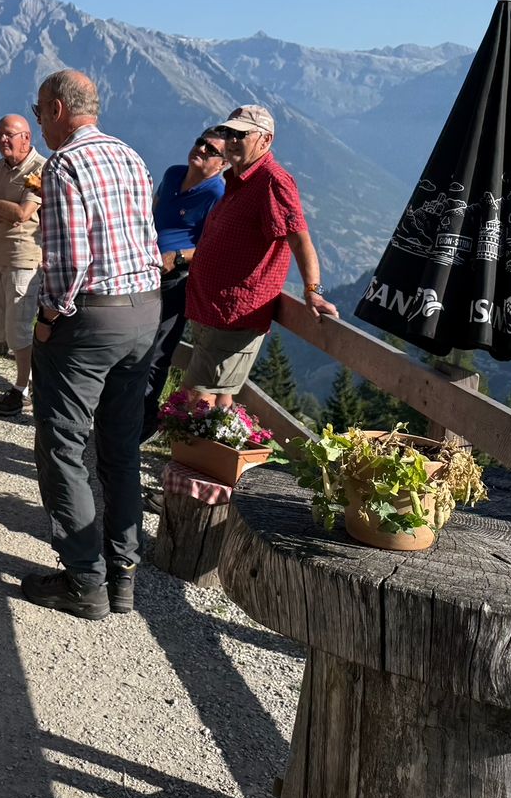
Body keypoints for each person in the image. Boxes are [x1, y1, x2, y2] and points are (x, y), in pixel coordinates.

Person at [25, 69, 161, 619]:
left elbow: (70, 260)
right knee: (121, 447)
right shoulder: (131, 156)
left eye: (39, 111)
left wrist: (46, 318)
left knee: (62, 444)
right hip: (145, 310)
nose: (39, 122)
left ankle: (84, 580)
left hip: (91, 319)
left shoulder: (64, 164)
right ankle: (124, 574)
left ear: (58, 108)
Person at [184, 104, 339, 409]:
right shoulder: (238, 178)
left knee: (196, 396)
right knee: (218, 398)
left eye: (241, 135)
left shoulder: (272, 180)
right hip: (211, 311)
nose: (231, 140)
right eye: (228, 132)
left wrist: (313, 291)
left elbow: (300, 240)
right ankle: (214, 441)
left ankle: (187, 442)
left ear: (265, 140)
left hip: (232, 314)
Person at [141, 128, 228, 441]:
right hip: (144, 270)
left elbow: (213, 246)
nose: (201, 149)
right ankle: (122, 411)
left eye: (211, 150)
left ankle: (145, 419)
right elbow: (153, 212)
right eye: (201, 142)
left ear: (223, 163)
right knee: (130, 342)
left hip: (176, 280)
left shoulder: (217, 193)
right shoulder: (173, 174)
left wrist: (177, 256)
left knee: (156, 352)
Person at [0, 114, 46, 417]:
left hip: (25, 259)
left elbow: (22, 213)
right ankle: (28, 378)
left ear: (26, 138)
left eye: (9, 135)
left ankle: (21, 390)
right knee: (1, 326)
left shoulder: (39, 169)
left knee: (18, 328)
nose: (2, 140)